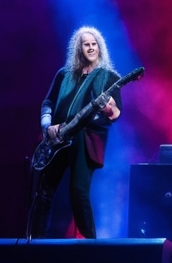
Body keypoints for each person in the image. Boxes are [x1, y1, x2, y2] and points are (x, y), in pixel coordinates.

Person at [31, 27, 124, 240]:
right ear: (79, 48)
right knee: (43, 192)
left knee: (78, 192)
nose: (91, 47)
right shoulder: (64, 74)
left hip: (85, 138)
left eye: (94, 44)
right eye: (86, 44)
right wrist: (47, 126)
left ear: (100, 48)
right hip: (56, 139)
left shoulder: (109, 78)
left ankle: (91, 245)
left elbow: (116, 114)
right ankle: (34, 243)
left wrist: (108, 107)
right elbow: (48, 103)